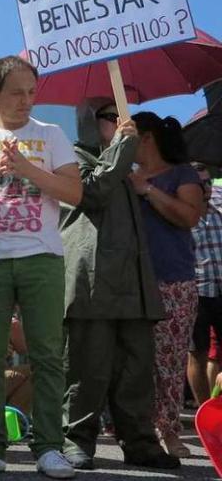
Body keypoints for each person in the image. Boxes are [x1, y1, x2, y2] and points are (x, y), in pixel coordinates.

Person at [0, 56, 81, 479]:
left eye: (31, 92)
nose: (26, 101)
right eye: (16, 92)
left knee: (46, 353)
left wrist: (26, 168)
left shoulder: (52, 135)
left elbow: (75, 192)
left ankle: (49, 447)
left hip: (41, 257)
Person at [59, 100, 180, 470]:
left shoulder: (129, 167)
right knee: (87, 367)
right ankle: (76, 439)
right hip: (93, 280)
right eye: (112, 117)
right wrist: (121, 151)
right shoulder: (71, 159)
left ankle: (140, 441)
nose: (122, 123)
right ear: (89, 122)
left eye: (123, 116)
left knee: (136, 368)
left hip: (134, 281)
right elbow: (92, 192)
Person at [129, 112, 203, 458]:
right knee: (135, 362)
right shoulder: (124, 178)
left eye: (128, 137)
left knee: (170, 363)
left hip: (174, 280)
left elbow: (189, 216)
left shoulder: (182, 173)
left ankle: (170, 432)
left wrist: (148, 191)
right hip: (130, 284)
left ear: (146, 138)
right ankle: (137, 431)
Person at [188, 163, 222, 405]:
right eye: (201, 183)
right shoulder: (183, 214)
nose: (208, 187)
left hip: (221, 290)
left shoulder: (219, 210)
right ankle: (203, 410)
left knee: (216, 354)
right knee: (197, 354)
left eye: (209, 181)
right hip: (197, 291)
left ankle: (216, 407)